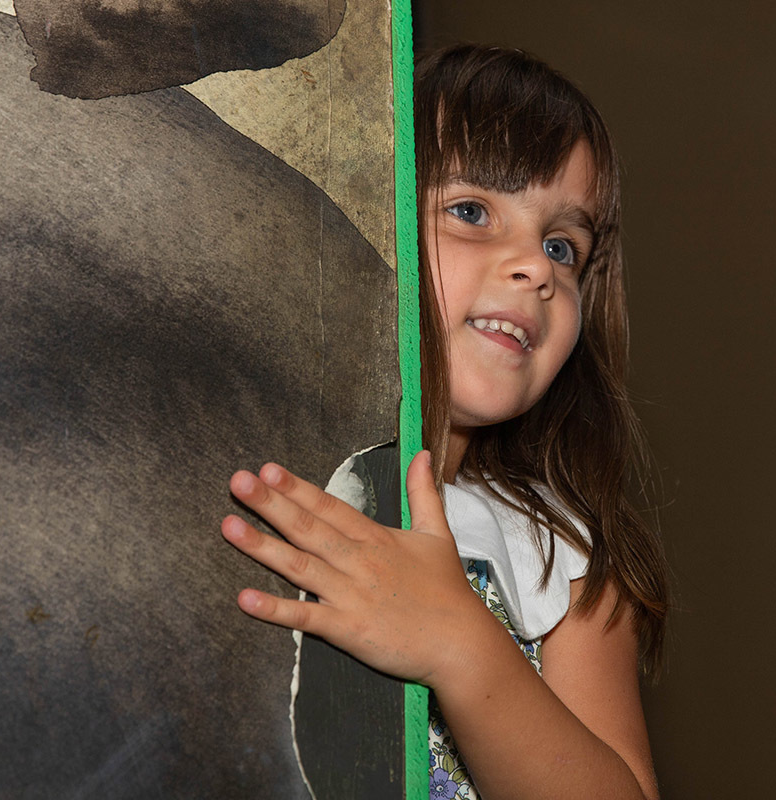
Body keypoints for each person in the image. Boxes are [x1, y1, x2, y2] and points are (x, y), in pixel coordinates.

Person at [221, 43, 669, 800]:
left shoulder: (561, 554)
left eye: (562, 247)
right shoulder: (278, 474)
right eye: (471, 212)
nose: (537, 267)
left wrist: (462, 644)